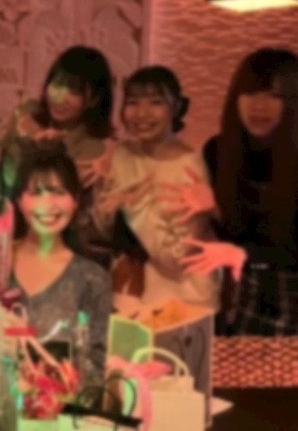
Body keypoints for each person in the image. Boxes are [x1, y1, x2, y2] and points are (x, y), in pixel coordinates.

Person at [166, 48, 298, 335]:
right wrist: (214, 210)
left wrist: (243, 255)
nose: (259, 106)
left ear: (293, 103)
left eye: (274, 96)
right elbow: (237, 234)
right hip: (257, 282)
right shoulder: (218, 150)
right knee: (249, 360)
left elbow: (293, 248)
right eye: (250, 93)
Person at [94, 66, 221, 311]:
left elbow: (177, 258)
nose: (142, 113)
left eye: (155, 102)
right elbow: (104, 229)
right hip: (131, 295)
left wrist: (136, 208)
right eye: (133, 102)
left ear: (175, 107)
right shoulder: (123, 154)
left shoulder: (189, 168)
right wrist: (102, 184)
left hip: (185, 301)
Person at [3, 46, 115, 266]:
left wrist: (56, 151)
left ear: (93, 99)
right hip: (15, 246)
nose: (59, 96)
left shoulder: (94, 151)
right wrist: (35, 137)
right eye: (57, 84)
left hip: (66, 257)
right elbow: (20, 122)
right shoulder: (29, 116)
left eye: (73, 90)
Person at [10, 147, 112, 385]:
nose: (48, 204)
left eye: (58, 192)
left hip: (63, 404)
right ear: (19, 201)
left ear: (75, 201)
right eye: (37, 193)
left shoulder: (91, 278)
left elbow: (99, 366)